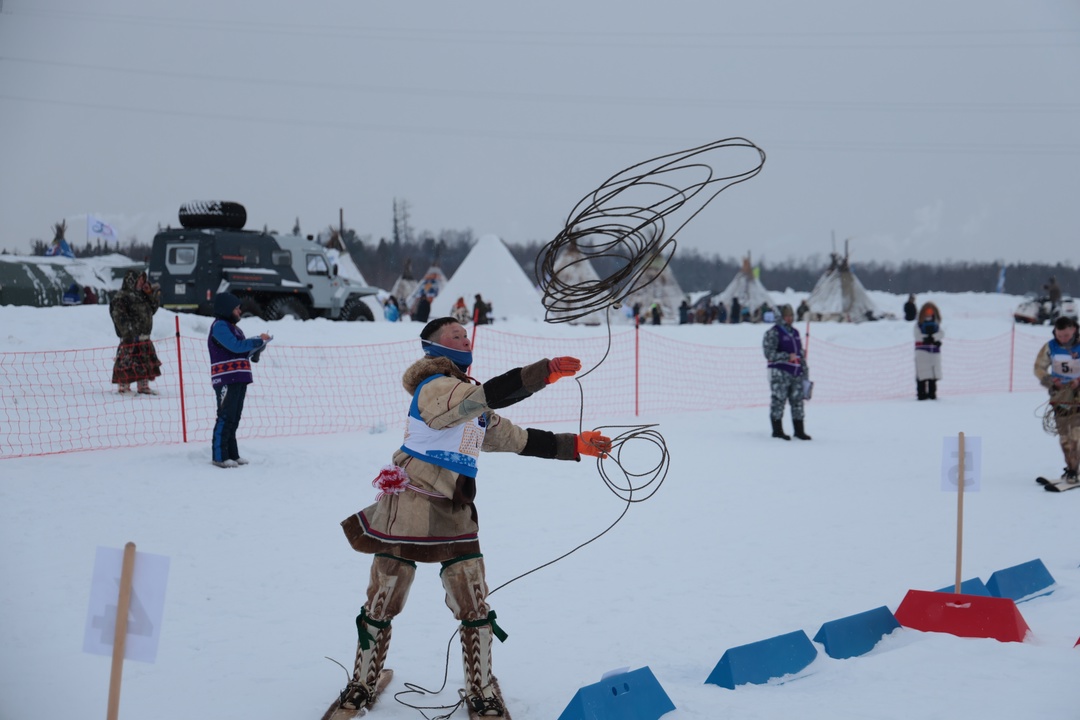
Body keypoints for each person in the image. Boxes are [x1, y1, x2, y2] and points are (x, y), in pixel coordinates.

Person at [328, 317, 612, 717]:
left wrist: (573, 445)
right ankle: (361, 683)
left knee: (474, 601)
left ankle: (481, 688)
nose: (464, 338)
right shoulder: (434, 387)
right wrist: (540, 374)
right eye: (455, 335)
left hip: (455, 509)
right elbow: (475, 399)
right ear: (433, 346)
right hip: (409, 506)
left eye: (466, 334)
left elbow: (514, 437)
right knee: (383, 597)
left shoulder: (471, 401)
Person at [207, 292, 271, 468]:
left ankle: (232, 454)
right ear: (226, 309)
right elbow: (235, 347)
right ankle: (219, 456)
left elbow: (242, 350)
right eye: (236, 308)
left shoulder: (235, 328)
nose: (239, 312)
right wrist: (256, 341)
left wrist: (259, 345)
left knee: (234, 417)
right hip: (226, 378)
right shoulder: (219, 326)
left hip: (239, 377)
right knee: (225, 416)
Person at [1034, 316, 1080, 484]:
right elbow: (1039, 367)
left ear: (1073, 330)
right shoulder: (1050, 347)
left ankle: (1074, 469)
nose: (1063, 339)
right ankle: (1070, 467)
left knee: (1076, 434)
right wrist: (1051, 381)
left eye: (1066, 335)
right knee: (1064, 436)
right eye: (1060, 336)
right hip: (1060, 397)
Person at [109, 270, 163, 395]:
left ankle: (143, 386)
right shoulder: (122, 296)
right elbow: (119, 316)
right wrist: (128, 333)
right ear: (131, 280)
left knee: (144, 362)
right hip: (130, 338)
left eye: (143, 280)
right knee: (127, 363)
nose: (142, 282)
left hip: (144, 337)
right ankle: (123, 387)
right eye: (139, 279)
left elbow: (153, 309)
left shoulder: (142, 295)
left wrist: (149, 294)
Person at [762, 304, 811, 440]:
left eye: (791, 316)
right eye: (786, 316)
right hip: (780, 373)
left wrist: (804, 370)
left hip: (796, 373)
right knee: (778, 401)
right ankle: (777, 431)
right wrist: (786, 356)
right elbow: (769, 353)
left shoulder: (795, 333)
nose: (789, 318)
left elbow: (799, 353)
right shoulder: (773, 333)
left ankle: (799, 430)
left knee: (797, 402)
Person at [914, 302, 943, 400]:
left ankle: (932, 393)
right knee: (922, 373)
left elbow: (941, 333)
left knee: (933, 374)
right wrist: (927, 339)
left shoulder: (936, 324)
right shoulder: (919, 324)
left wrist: (934, 338)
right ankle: (921, 393)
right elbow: (917, 335)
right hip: (922, 352)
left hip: (934, 353)